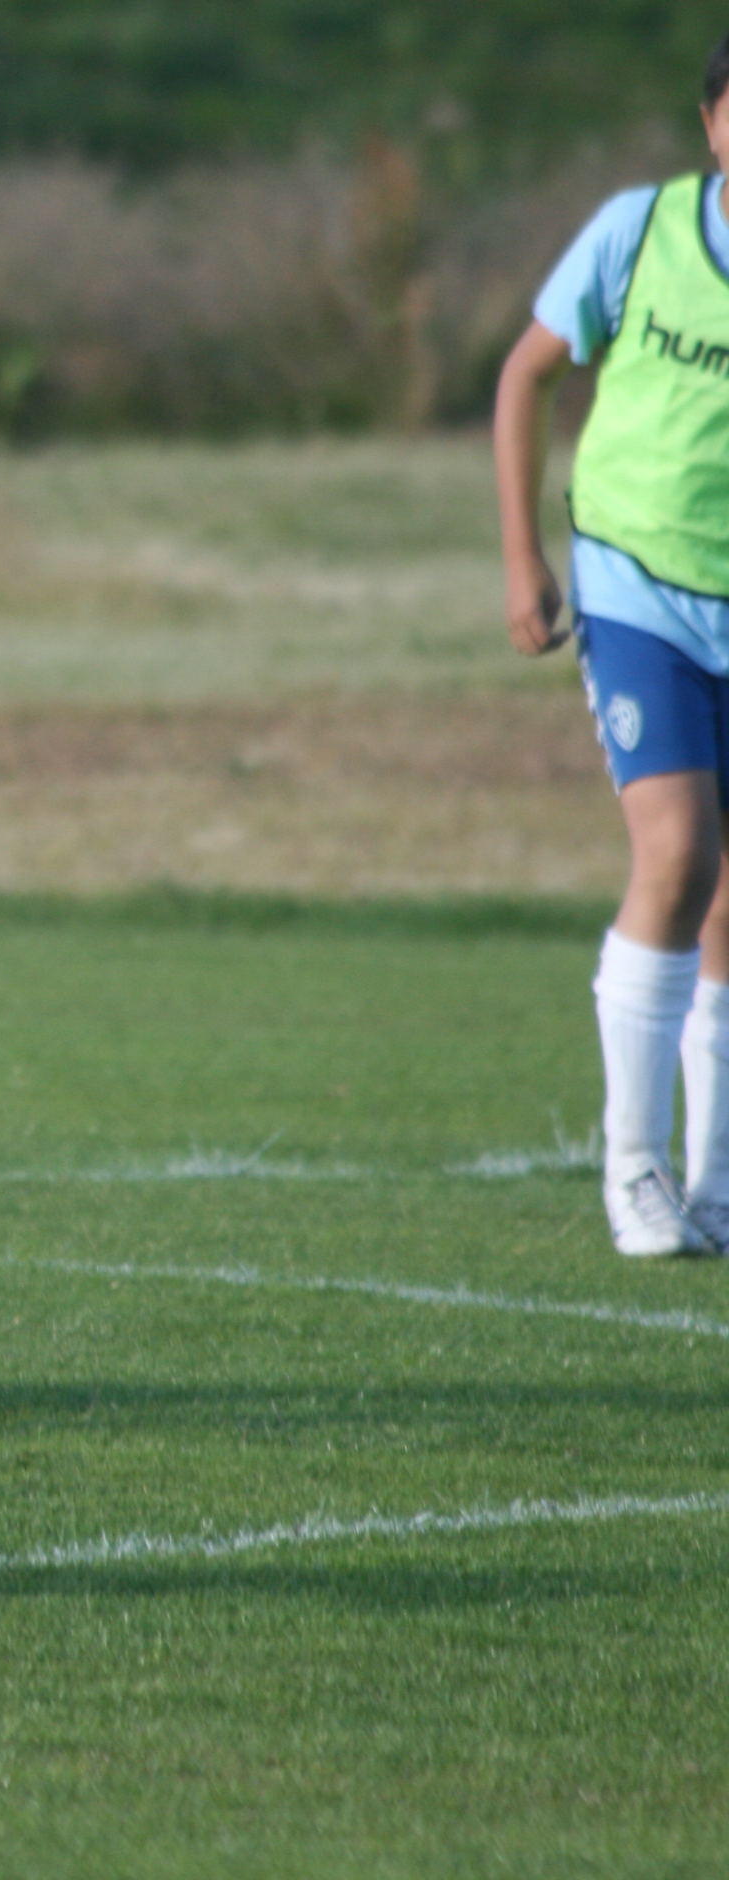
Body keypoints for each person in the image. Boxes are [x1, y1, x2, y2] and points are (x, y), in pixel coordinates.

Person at [496, 33, 729, 1259]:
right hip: (636, 588)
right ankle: (631, 1171)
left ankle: (714, 1185)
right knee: (677, 852)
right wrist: (520, 556)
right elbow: (524, 376)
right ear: (709, 122)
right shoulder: (636, 234)